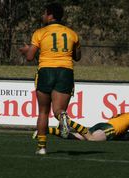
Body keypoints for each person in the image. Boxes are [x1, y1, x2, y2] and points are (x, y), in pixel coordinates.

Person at [19, 3, 81, 155]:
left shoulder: (40, 33)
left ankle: (41, 147)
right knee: (59, 110)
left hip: (46, 71)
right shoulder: (72, 33)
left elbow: (29, 57)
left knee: (43, 112)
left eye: (44, 13)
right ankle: (63, 116)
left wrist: (27, 50)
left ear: (50, 15)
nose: (43, 16)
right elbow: (77, 57)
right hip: (65, 71)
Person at [42, 112, 129, 141]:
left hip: (103, 125)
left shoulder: (126, 114)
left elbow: (114, 117)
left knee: (76, 137)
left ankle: (47, 130)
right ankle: (68, 121)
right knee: (92, 139)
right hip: (110, 129)